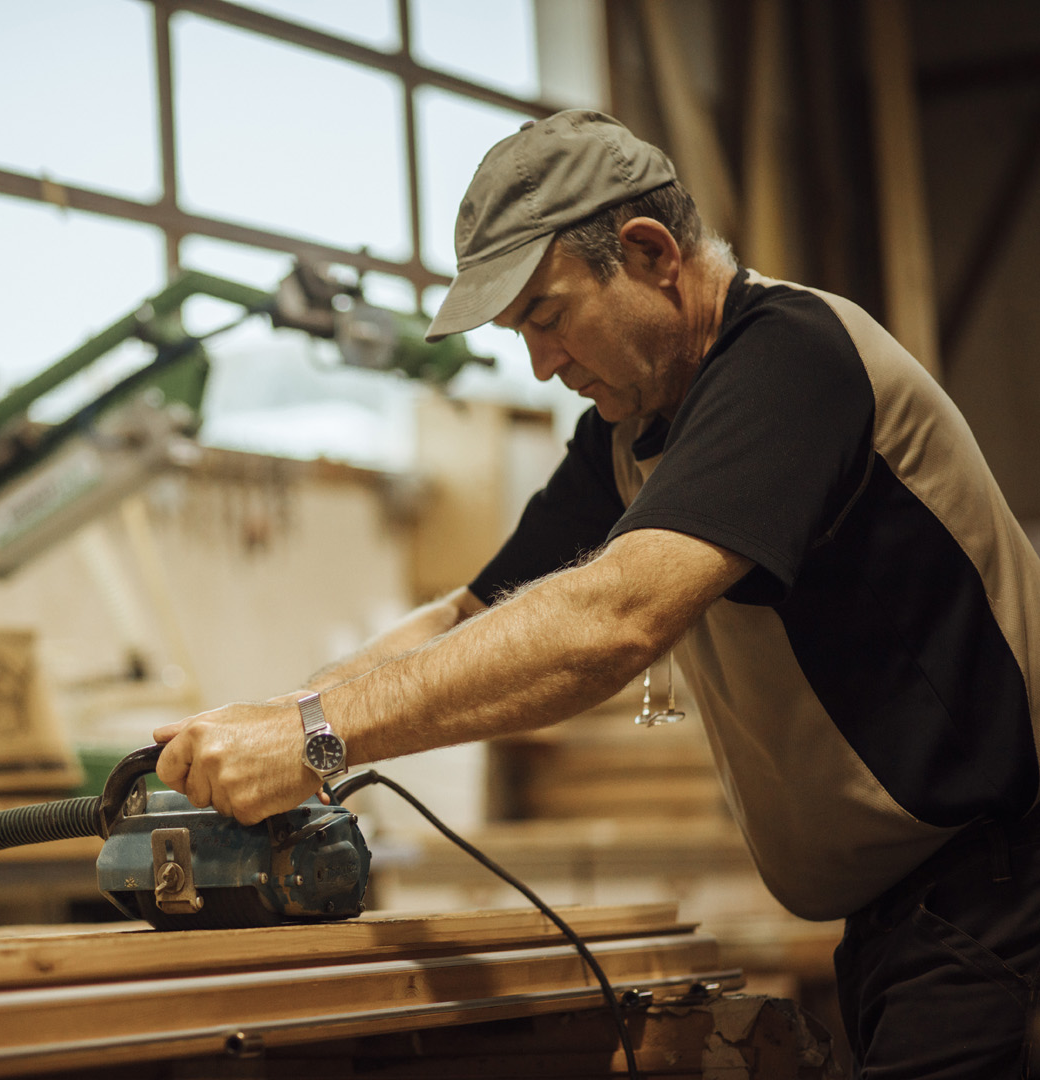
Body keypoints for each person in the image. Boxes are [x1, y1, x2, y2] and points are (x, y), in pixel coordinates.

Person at [152, 109, 1040, 1076]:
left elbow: (614, 620)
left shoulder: (792, 360)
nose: (540, 363)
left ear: (651, 253)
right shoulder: (634, 430)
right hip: (908, 920)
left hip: (1007, 888)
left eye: (547, 314)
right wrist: (272, 720)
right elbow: (474, 612)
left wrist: (318, 736)